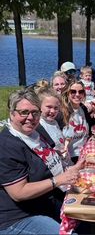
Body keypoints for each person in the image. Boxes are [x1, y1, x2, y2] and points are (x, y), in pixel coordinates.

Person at [0, 88, 84, 234]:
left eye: (35, 112)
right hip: (19, 217)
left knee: (87, 218)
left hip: (46, 202)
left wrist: (73, 168)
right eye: (24, 112)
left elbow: (49, 161)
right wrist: (58, 180)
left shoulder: (35, 132)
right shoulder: (7, 145)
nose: (30, 117)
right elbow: (18, 192)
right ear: (12, 113)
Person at [61, 80, 95, 163]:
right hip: (69, 158)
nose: (77, 94)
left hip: (84, 153)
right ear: (67, 94)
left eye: (81, 92)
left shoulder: (83, 108)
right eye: (73, 92)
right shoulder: (62, 112)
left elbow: (92, 130)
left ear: (84, 94)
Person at [36, 87, 72, 168]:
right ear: (39, 106)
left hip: (66, 163)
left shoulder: (54, 122)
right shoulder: (39, 126)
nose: (52, 111)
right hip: (56, 169)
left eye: (56, 108)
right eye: (49, 107)